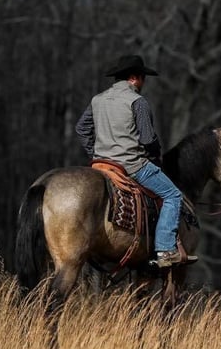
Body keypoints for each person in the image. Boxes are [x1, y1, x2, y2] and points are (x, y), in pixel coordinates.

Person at [75, 54, 197, 268]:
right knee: (173, 195)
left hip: (100, 165)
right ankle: (165, 250)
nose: (143, 84)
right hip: (131, 165)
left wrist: (95, 152)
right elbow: (148, 139)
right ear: (134, 78)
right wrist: (156, 157)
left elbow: (81, 129)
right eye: (143, 79)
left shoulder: (98, 100)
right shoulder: (137, 102)